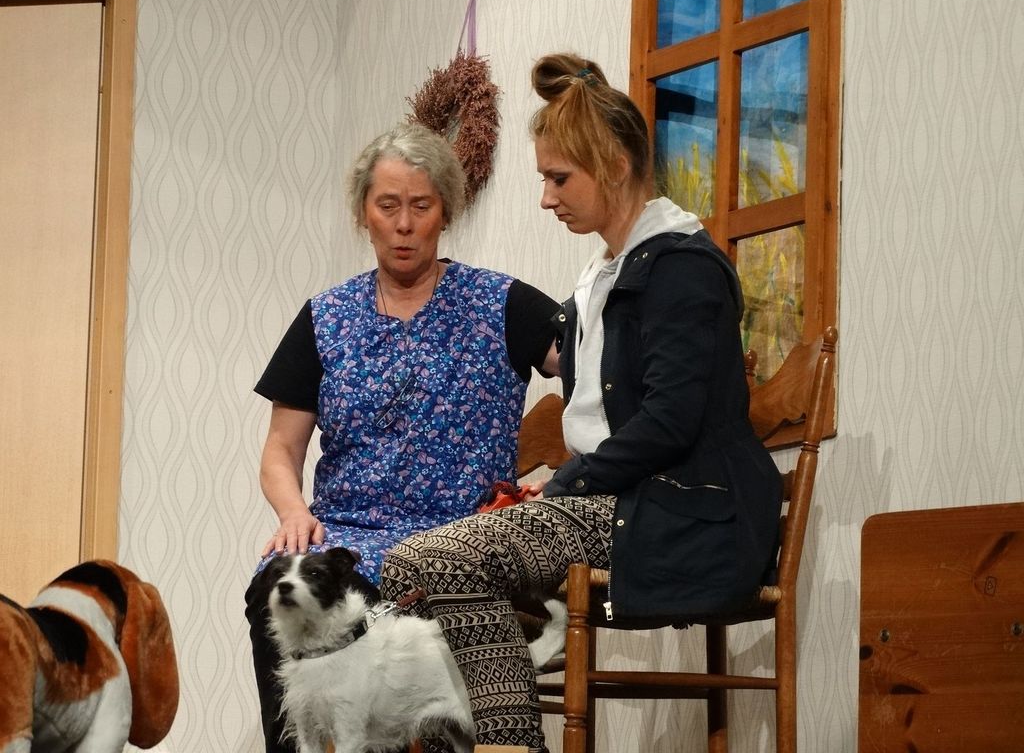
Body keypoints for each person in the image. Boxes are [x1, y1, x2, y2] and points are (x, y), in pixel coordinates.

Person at [379, 53, 783, 752]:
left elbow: (669, 421)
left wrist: (566, 483)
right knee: (410, 568)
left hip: (677, 510)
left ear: (616, 166)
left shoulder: (681, 269)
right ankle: (503, 740)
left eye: (558, 178)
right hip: (619, 501)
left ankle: (510, 747)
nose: (546, 198)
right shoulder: (608, 272)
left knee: (434, 560)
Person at [244, 121, 560, 753]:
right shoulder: (326, 317)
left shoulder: (499, 302)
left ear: (446, 212)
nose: (405, 224)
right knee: (272, 591)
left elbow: (590, 367)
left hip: (463, 542)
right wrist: (294, 512)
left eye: (422, 206)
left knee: (400, 618)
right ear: (364, 214)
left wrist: (572, 479)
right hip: (351, 539)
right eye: (388, 206)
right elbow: (281, 449)